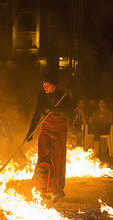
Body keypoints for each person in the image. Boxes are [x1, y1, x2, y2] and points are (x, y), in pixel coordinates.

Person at [26, 71, 73, 202]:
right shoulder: (41, 96)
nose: (44, 87)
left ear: (54, 85)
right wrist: (30, 132)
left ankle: (56, 190)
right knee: (43, 157)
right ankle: (41, 189)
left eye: (47, 85)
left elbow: (71, 113)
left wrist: (59, 110)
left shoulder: (64, 96)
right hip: (45, 128)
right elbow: (36, 114)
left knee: (57, 159)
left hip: (59, 128)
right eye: (43, 84)